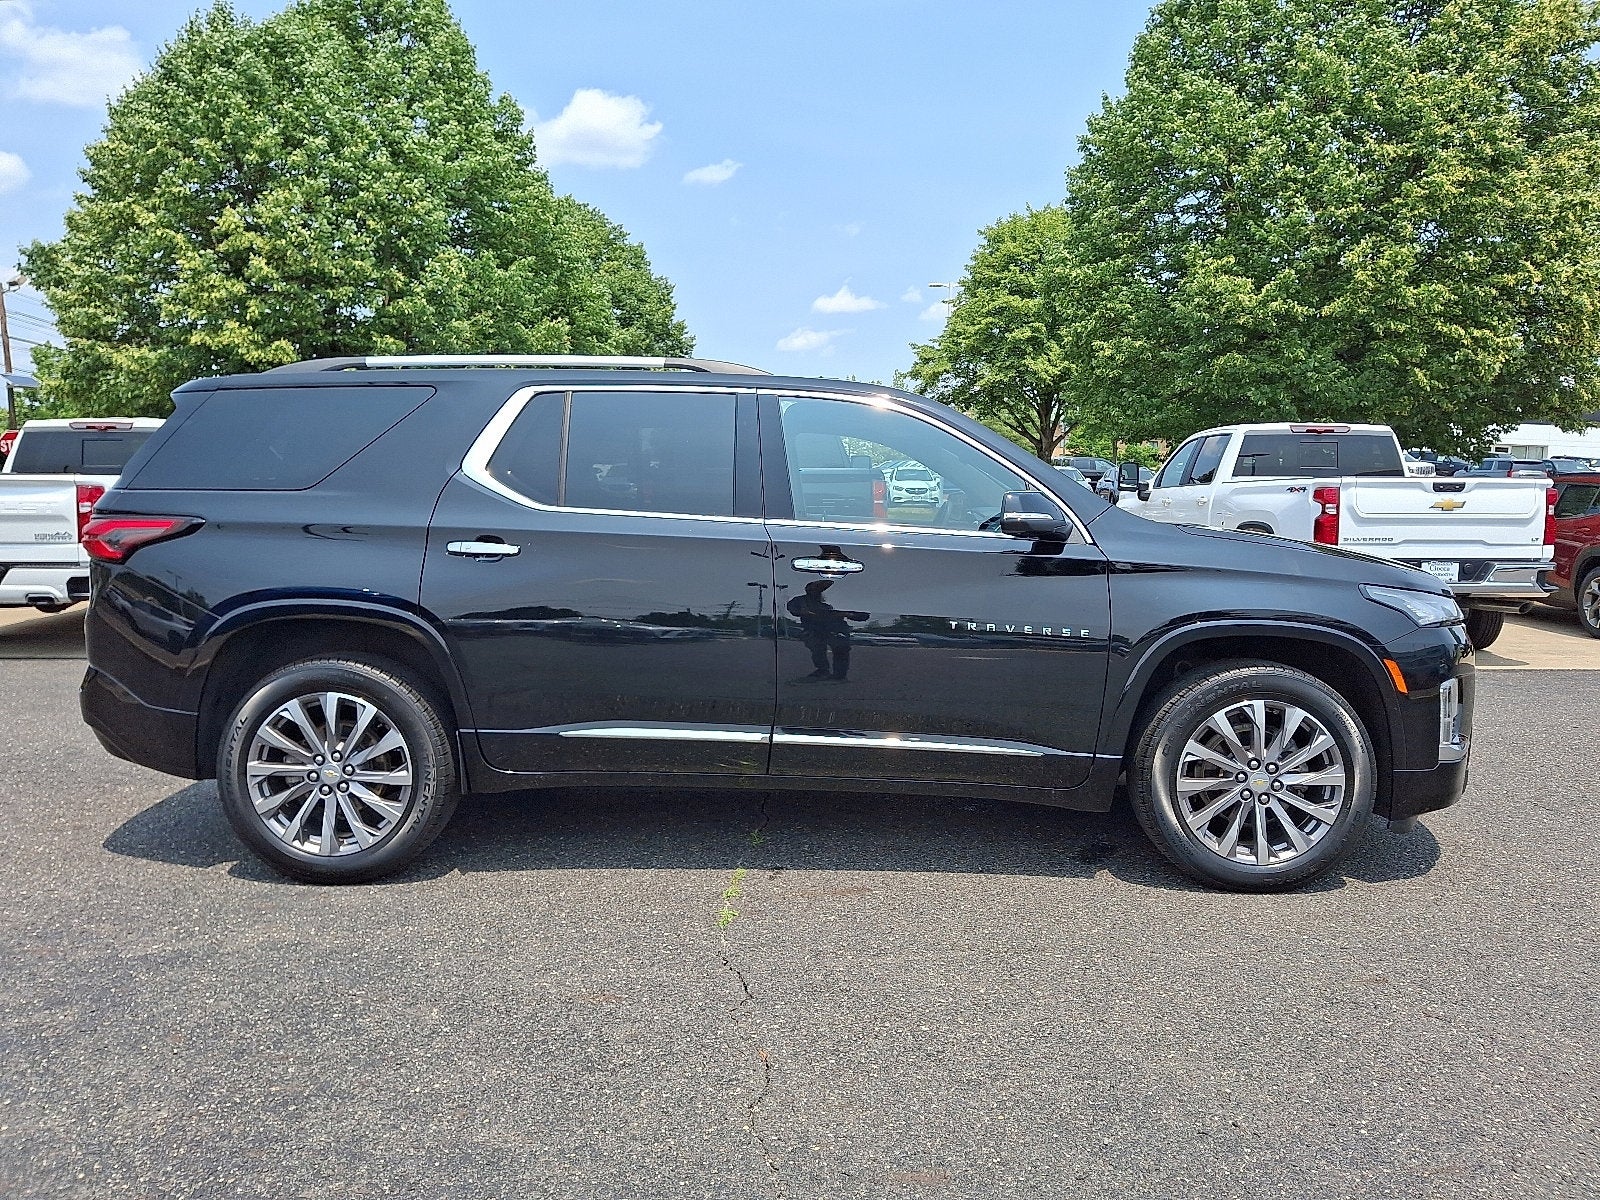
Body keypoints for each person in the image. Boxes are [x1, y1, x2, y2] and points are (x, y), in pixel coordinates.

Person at [785, 579, 868, 681]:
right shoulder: (800, 600)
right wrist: (804, 612)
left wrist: (847, 615)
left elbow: (833, 615)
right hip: (814, 630)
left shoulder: (826, 605)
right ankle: (822, 671)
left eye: (821, 589)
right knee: (818, 649)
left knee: (841, 649)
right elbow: (793, 608)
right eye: (816, 589)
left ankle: (840, 675)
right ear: (809, 590)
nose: (819, 591)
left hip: (833, 630)